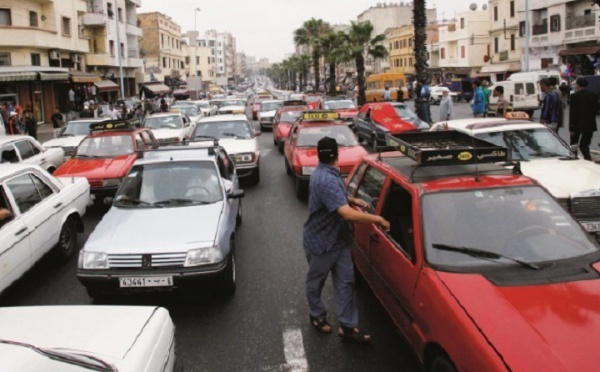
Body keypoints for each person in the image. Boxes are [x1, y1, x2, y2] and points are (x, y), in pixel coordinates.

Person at [303, 137, 390, 344]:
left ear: (319, 154)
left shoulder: (327, 173)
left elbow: (335, 198)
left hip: (339, 240)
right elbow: (347, 215)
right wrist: (378, 219)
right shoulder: (325, 179)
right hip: (322, 244)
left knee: (346, 283)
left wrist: (351, 199)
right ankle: (317, 315)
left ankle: (348, 326)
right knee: (316, 282)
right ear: (337, 154)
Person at [569, 77, 598, 161]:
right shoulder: (594, 96)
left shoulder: (574, 96)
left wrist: (571, 128)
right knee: (584, 145)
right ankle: (588, 159)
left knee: (573, 145)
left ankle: (574, 159)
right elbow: (595, 111)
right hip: (590, 124)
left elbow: (573, 113)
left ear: (578, 85)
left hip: (577, 124)